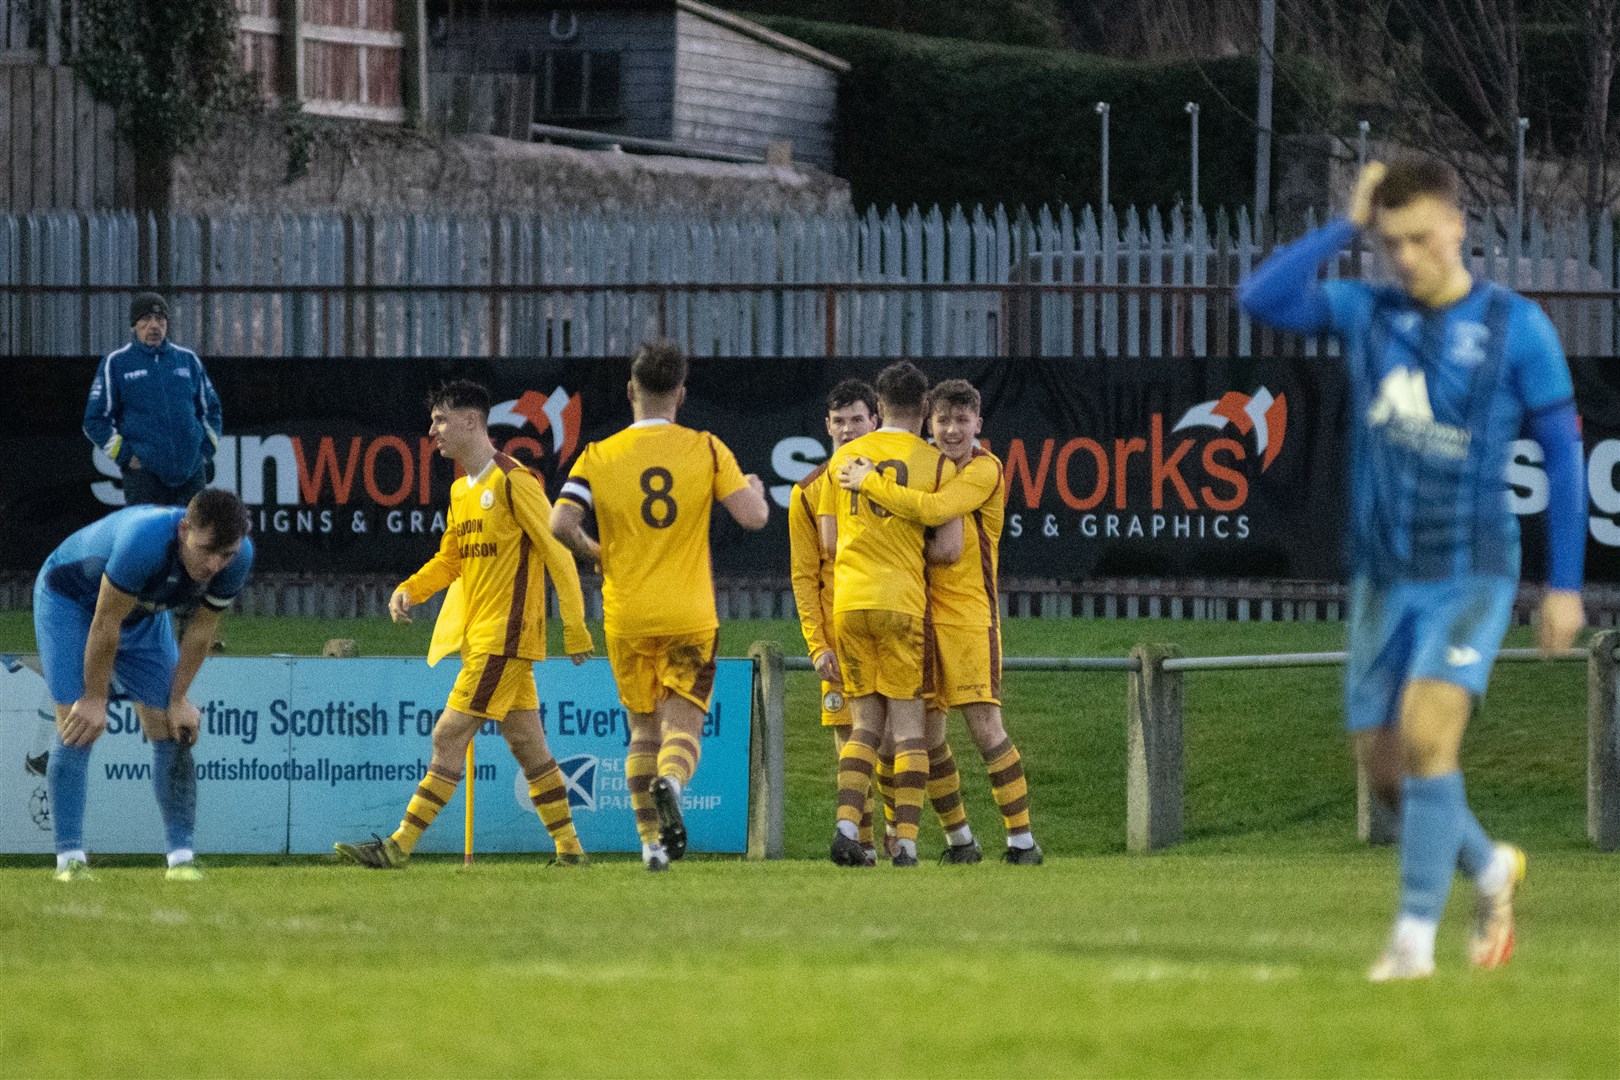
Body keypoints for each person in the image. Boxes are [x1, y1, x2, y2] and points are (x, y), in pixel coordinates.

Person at [1238, 157, 1586, 980]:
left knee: (1431, 740)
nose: (1407, 257)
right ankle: (1491, 869)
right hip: (1379, 577)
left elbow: (1565, 461)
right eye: (1392, 243)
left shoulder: (1516, 325)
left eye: (1422, 238)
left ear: (1459, 227)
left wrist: (1563, 585)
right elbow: (1258, 298)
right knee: (1390, 778)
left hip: (1471, 573)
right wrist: (1345, 225)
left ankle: (1412, 941)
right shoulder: (1368, 311)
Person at [335, 381, 596, 869]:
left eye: (440, 419)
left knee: (447, 734)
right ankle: (571, 851)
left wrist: (575, 626)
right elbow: (451, 558)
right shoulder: (461, 490)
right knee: (526, 743)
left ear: (472, 421)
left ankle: (397, 847)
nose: (432, 430)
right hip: (485, 638)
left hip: (507, 636)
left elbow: (557, 553)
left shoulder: (515, 481)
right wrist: (410, 588)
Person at [552, 341, 769, 871]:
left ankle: (651, 846)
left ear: (630, 391)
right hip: (689, 614)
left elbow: (559, 524)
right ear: (681, 394)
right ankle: (671, 782)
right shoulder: (706, 448)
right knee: (682, 731)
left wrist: (597, 551)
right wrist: (757, 492)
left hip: (626, 613)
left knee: (642, 731)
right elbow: (753, 518)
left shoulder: (598, 454)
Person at [841, 379, 1043, 865]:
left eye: (962, 421)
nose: (952, 431)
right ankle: (960, 840)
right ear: (929, 421)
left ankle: (1022, 841)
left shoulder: (984, 470)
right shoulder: (924, 466)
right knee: (926, 740)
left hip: (971, 617)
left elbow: (935, 514)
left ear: (979, 424)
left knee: (985, 729)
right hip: (921, 616)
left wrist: (870, 482)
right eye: (943, 421)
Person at [35, 488, 254, 881]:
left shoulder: (239, 558)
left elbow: (201, 631)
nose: (215, 565)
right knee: (77, 725)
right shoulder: (145, 540)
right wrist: (94, 697)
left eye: (227, 555)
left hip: (140, 613)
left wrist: (179, 698)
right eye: (207, 550)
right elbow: (104, 624)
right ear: (184, 529)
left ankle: (181, 860)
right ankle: (69, 862)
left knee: (173, 726)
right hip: (70, 601)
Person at [818, 361, 963, 868]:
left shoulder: (845, 460)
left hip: (850, 603)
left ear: (877, 409)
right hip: (902, 602)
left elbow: (829, 543)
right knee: (908, 731)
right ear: (924, 409)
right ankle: (905, 841)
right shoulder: (939, 464)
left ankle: (845, 827)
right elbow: (948, 549)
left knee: (862, 726)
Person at [84, 292, 223, 507]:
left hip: (191, 475)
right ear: (134, 325)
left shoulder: (188, 360)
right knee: (149, 540)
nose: (154, 326)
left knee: (195, 540)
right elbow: (94, 421)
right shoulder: (116, 362)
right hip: (144, 477)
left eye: (160, 319)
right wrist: (126, 456)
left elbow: (212, 410)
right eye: (146, 319)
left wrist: (204, 452)